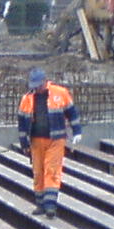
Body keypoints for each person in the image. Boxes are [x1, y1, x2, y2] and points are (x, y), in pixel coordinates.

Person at [17, 66, 82, 219]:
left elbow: (72, 113)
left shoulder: (60, 93)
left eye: (38, 86)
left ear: (45, 82)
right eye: (34, 87)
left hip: (56, 139)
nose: (37, 89)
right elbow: (22, 123)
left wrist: (77, 131)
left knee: (52, 171)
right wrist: (24, 144)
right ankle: (40, 204)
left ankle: (50, 206)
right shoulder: (27, 99)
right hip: (36, 140)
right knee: (38, 173)